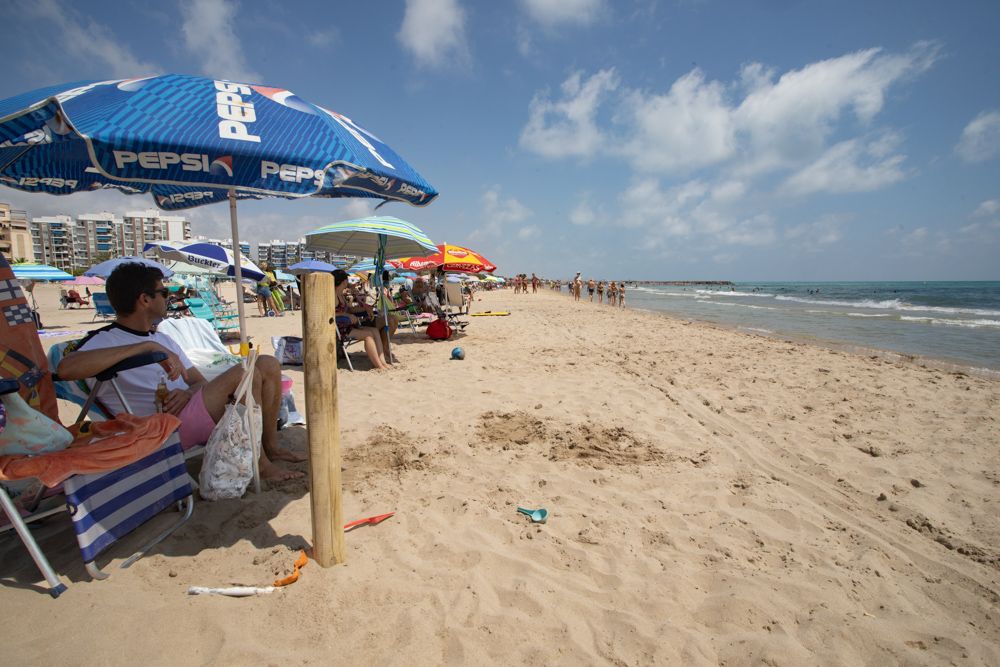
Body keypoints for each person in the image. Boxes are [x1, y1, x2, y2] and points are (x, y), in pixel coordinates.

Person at [56, 262, 305, 481]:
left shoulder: (164, 338)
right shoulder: (106, 340)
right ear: (144, 299)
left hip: (189, 410)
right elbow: (66, 369)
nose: (169, 297)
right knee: (243, 373)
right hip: (158, 428)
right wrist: (145, 347)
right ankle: (260, 465)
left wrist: (187, 394)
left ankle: (271, 448)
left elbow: (196, 382)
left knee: (267, 364)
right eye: (163, 292)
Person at [333, 269, 390, 370]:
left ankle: (382, 361)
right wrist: (347, 315)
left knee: (375, 330)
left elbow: (350, 309)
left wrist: (364, 308)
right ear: (343, 281)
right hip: (340, 330)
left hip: (349, 325)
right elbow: (331, 314)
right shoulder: (333, 296)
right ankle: (379, 366)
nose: (348, 281)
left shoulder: (340, 295)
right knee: (368, 336)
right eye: (346, 279)